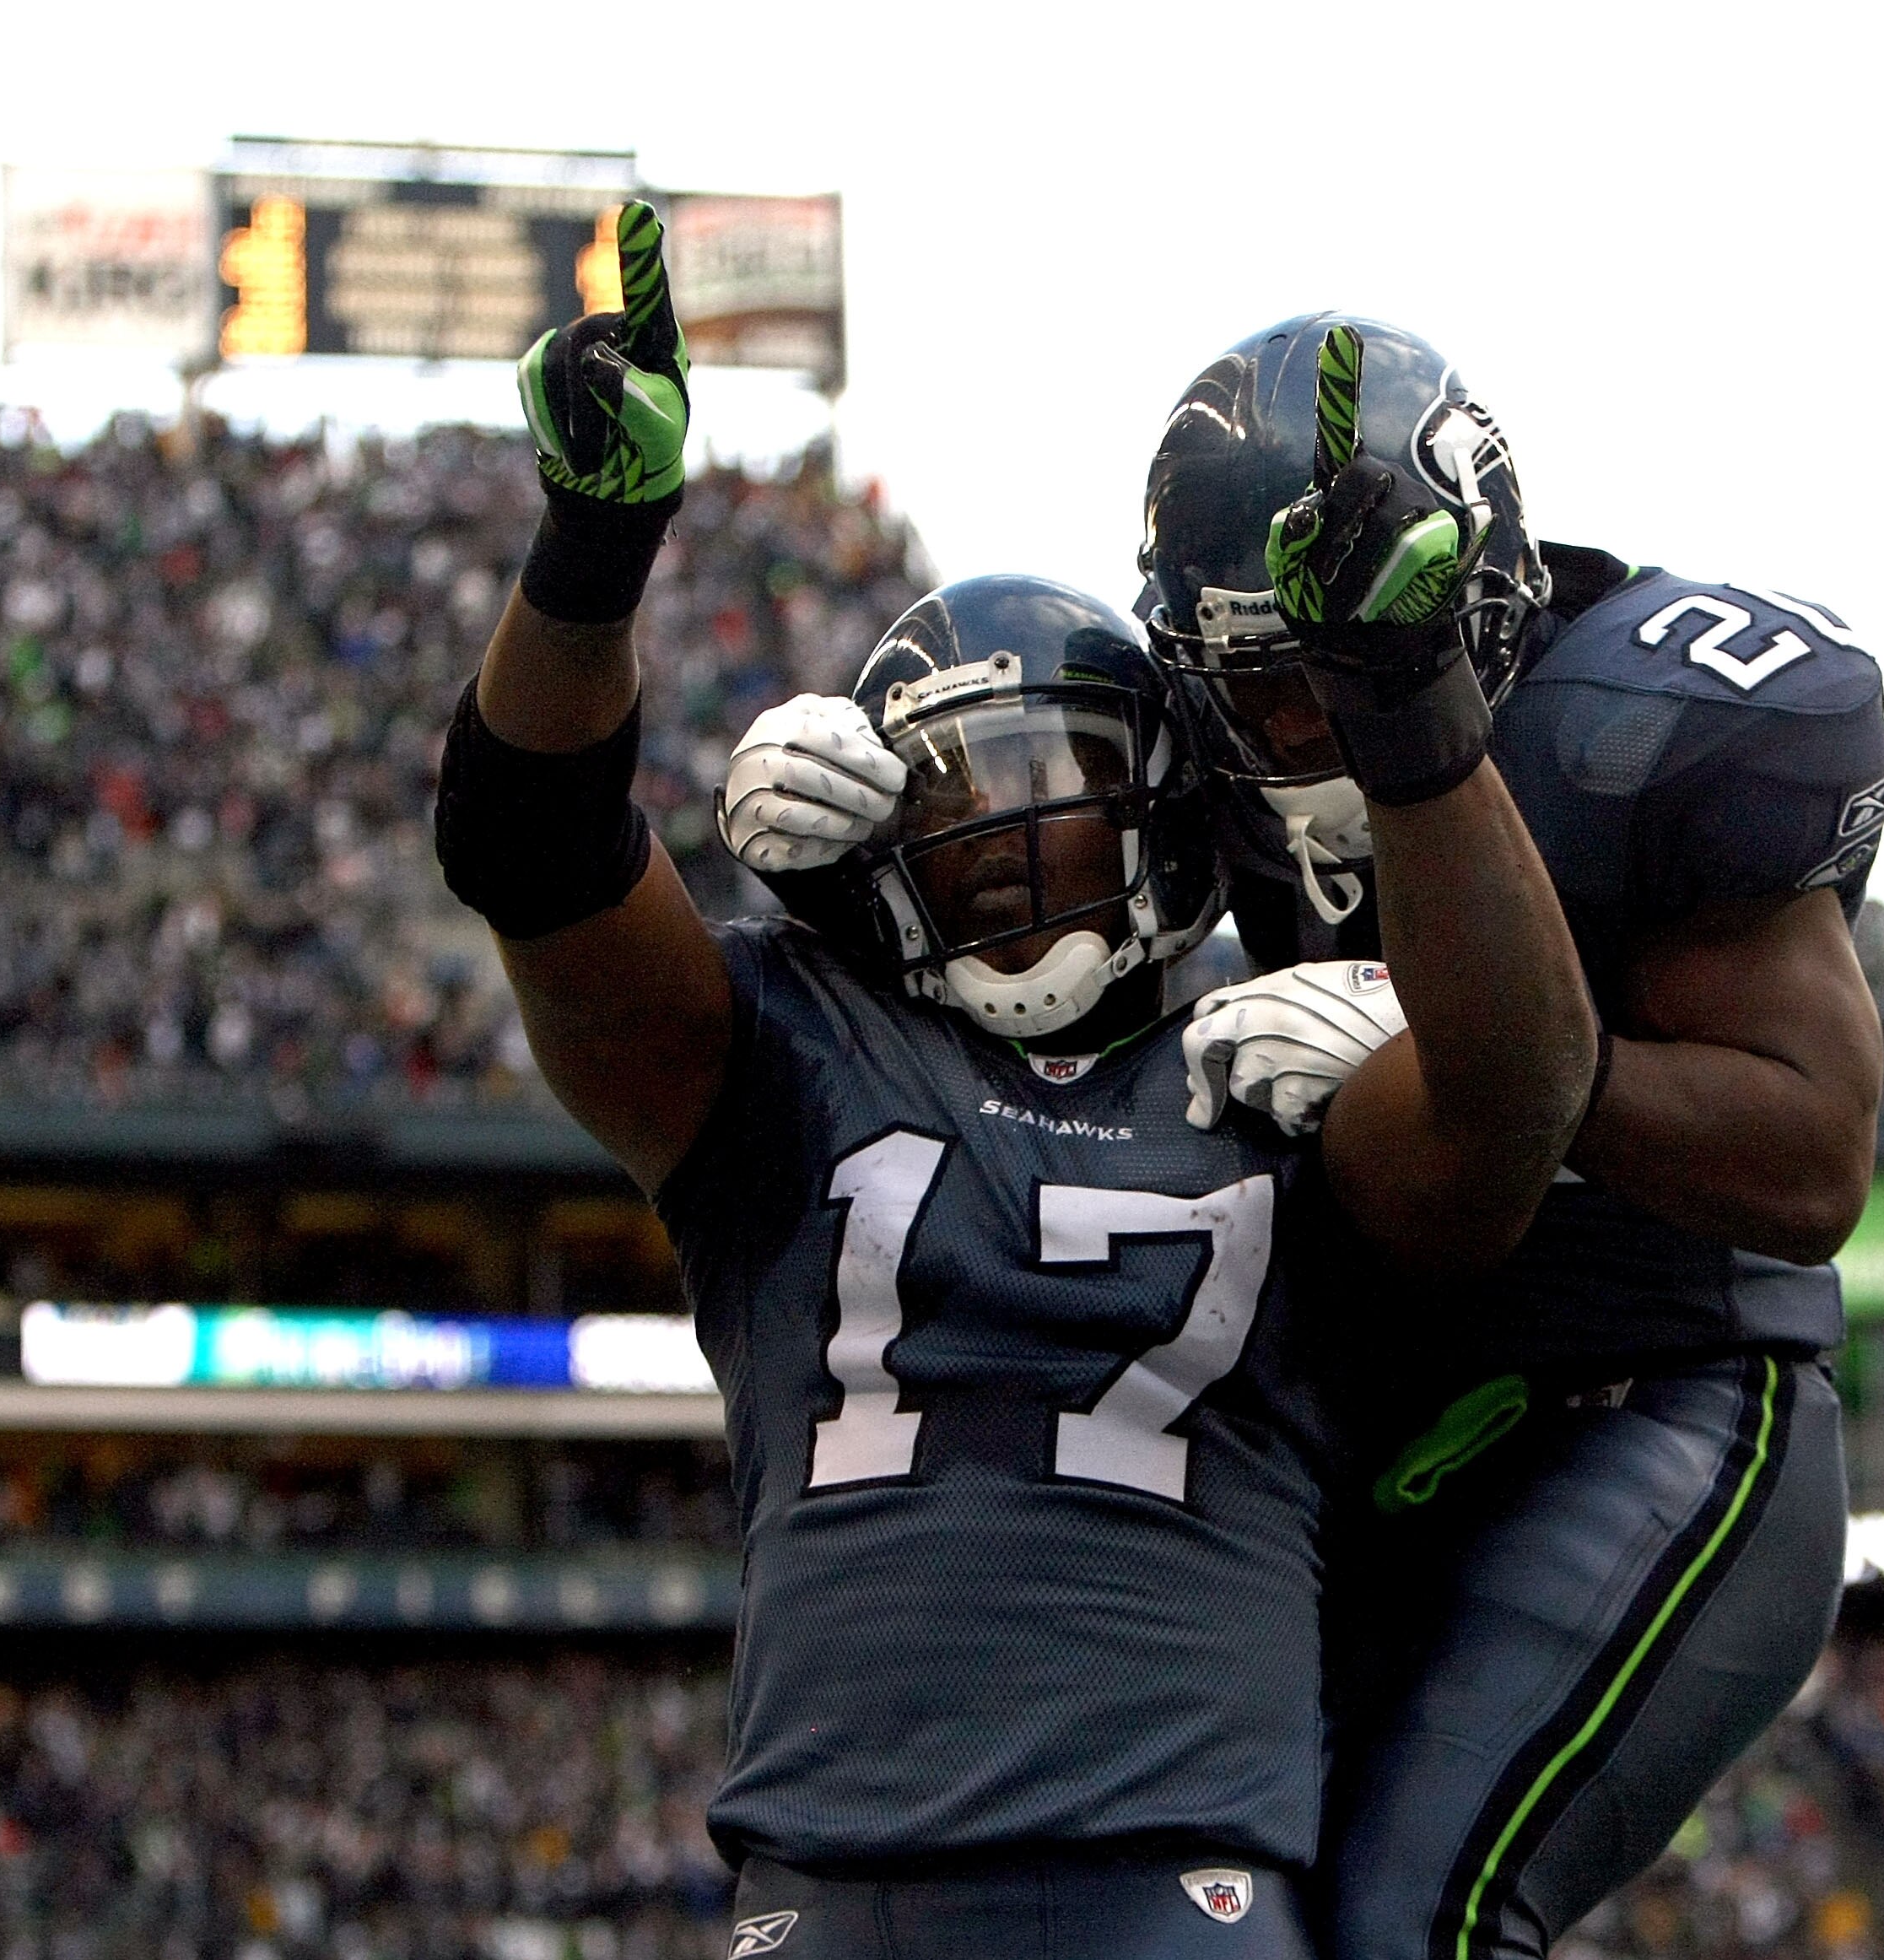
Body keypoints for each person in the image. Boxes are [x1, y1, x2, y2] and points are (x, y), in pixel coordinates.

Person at [437, 214, 1600, 1960]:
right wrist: (593, 553)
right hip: (831, 1875)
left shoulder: (1271, 1057)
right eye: (967, 802)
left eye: (1066, 790)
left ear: (1176, 819)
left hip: (1175, 1869)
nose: (1016, 841)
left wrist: (1406, 693)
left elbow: (1516, 1110)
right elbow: (529, 848)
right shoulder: (784, 1049)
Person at [1141, 314, 1884, 1960]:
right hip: (1379, 1432)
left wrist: (1494, 1062)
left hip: (1657, 1394)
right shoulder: (1197, 761)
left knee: (1425, 1915)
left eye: (1353, 671)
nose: (1315, 731)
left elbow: (1812, 1156)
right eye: (1274, 690)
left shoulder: (1635, 724)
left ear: (1476, 603)